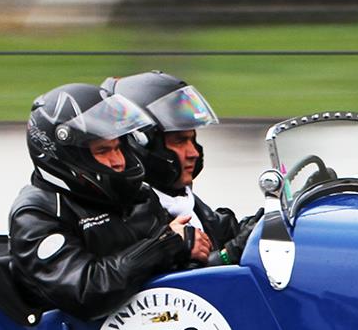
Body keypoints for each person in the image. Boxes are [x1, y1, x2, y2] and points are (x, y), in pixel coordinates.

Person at [8, 81, 204, 320]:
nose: (118, 161)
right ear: (69, 155)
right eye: (103, 151)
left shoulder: (139, 197)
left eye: (118, 148)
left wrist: (222, 250)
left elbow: (172, 270)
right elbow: (86, 291)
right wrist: (166, 245)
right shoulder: (37, 215)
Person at [103, 70, 249, 265]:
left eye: (193, 140)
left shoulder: (178, 199)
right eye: (180, 141)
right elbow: (173, 280)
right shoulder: (130, 218)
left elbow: (216, 229)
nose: (193, 153)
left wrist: (255, 228)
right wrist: (228, 255)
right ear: (139, 143)